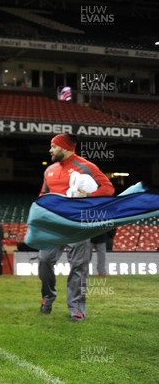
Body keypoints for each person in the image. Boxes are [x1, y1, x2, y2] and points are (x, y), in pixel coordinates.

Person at [38, 134, 114, 322]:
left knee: (78, 267)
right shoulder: (49, 170)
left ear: (64, 148)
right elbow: (43, 194)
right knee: (44, 260)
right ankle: (48, 298)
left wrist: (88, 194)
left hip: (78, 224)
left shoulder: (86, 166)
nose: (50, 150)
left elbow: (108, 188)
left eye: (53, 146)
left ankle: (77, 309)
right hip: (55, 225)